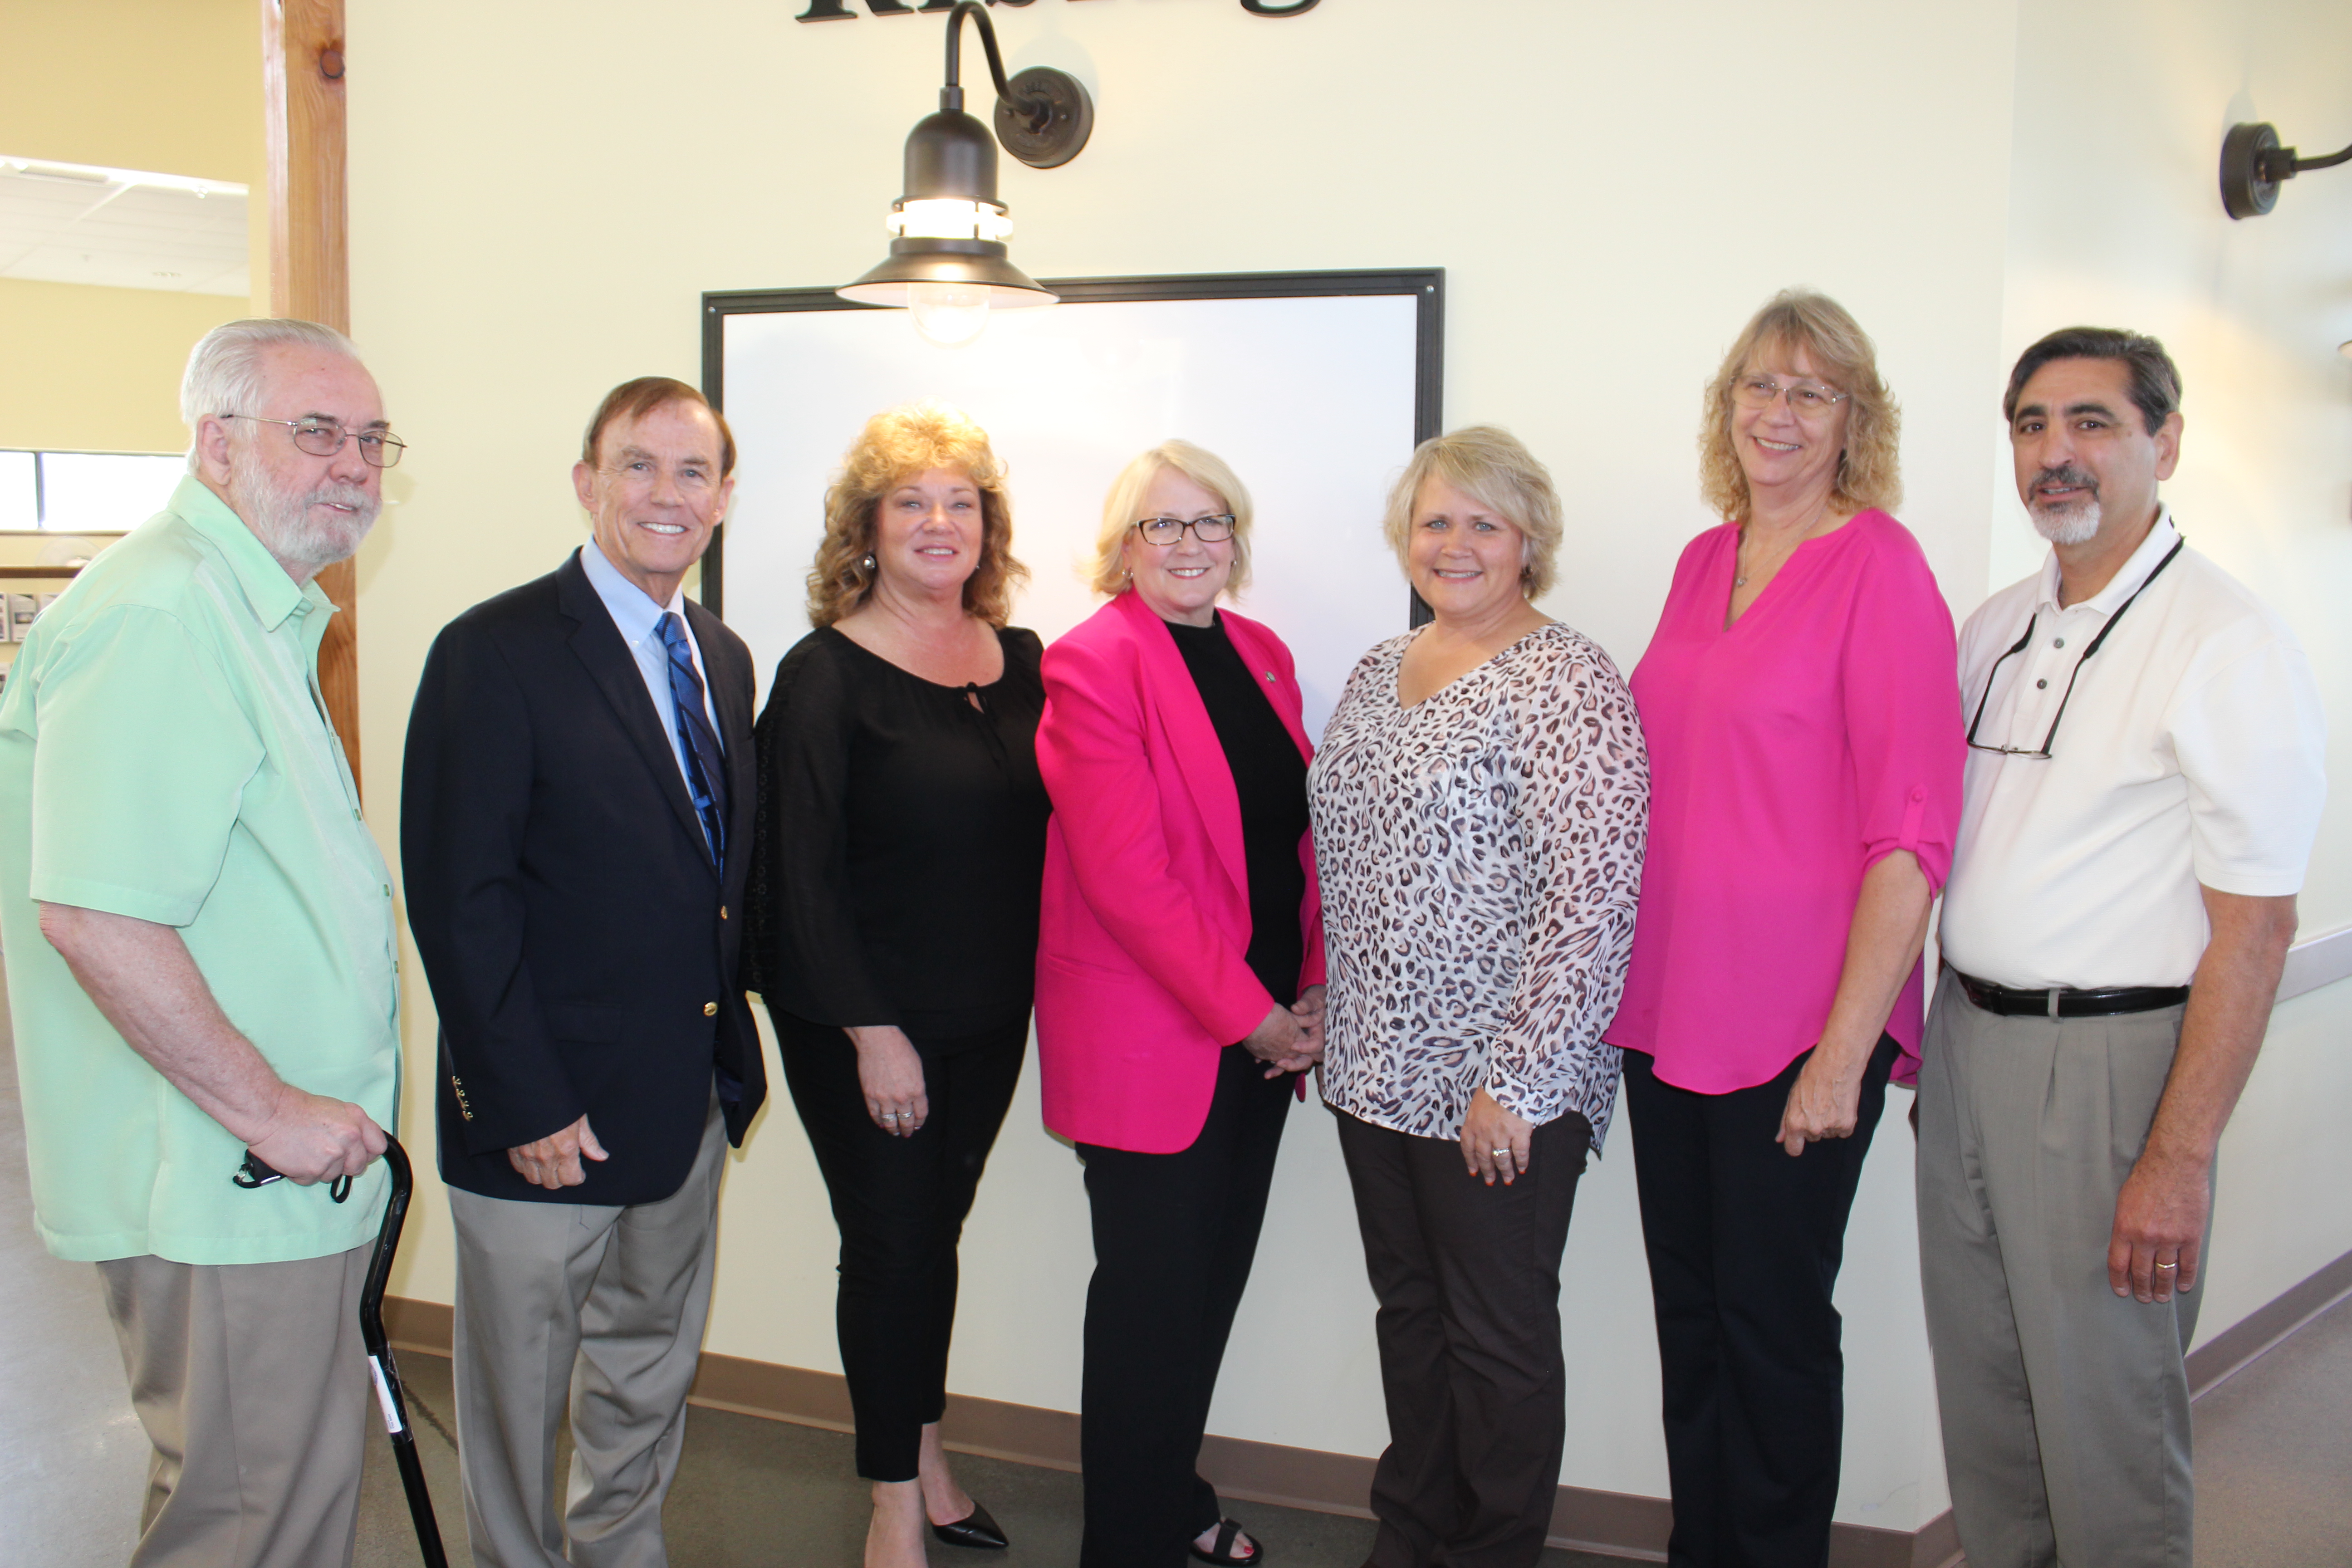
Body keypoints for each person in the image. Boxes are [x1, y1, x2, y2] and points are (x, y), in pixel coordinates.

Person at [0, 318, 401, 1568]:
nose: (354, 465)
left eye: (373, 440)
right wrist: (272, 1110)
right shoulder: (165, 611)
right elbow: (96, 914)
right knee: (248, 1515)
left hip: (265, 1175)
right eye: (318, 432)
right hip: (221, 1172)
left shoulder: (253, 608)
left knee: (282, 1491)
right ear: (216, 442)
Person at [1922, 327, 2324, 1568]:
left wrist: (2178, 1158)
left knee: (2105, 1415)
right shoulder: (1996, 624)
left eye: (2092, 422)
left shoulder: (2223, 642)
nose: (2057, 454)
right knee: (1987, 1402)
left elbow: (2257, 930)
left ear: (2167, 440)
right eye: (2033, 426)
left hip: (2109, 1067)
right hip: (1966, 1042)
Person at [1601, 290, 1964, 1568]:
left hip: (1797, 1035)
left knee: (1772, 1329)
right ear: (1727, 408)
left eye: (1812, 392)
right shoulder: (1707, 559)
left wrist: (1842, 1056)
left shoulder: (1883, 569)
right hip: (1666, 1022)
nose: (1780, 412)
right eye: (1760, 385)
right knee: (1693, 1323)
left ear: (1854, 421)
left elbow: (1912, 842)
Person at [400, 376, 768, 1568]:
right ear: (587, 482)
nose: (667, 495)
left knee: (648, 1371)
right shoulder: (494, 650)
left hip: (683, 1100)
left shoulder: (720, 654)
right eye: (639, 466)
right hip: (543, 1118)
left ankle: (620, 1550)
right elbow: (464, 904)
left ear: (722, 497)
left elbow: (709, 872)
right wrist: (526, 1103)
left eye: (693, 471)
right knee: (517, 1397)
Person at [1311, 426, 1646, 1568]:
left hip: (1494, 1086)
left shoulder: (1569, 677)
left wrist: (1519, 1081)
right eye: (1434, 521)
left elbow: (1595, 898)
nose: (1454, 545)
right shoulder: (1373, 669)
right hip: (1369, 1070)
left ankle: (1495, 1552)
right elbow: (1346, 857)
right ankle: (1413, 1536)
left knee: (1497, 1342)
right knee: (1411, 1319)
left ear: (1529, 541)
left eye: (1482, 523)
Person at [742, 403, 1048, 1568]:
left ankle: (923, 1454)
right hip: (867, 1024)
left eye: (959, 501)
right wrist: (876, 1032)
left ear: (987, 527)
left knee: (935, 1238)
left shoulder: (1019, 662)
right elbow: (797, 877)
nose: (938, 521)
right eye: (910, 501)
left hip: (988, 1018)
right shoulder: (822, 675)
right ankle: (889, 1503)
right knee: (891, 1247)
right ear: (866, 529)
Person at [1034, 440, 1325, 1568]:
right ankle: (1127, 1543)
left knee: (1207, 1295)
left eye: (1213, 524)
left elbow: (1291, 841)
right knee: (1152, 1313)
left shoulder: (1261, 652)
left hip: (1257, 1037)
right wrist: (1250, 1014)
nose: (1193, 545)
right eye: (1166, 526)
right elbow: (1128, 880)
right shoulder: (1093, 664)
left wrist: (1307, 984)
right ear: (1123, 547)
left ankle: (1172, 1504)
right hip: (1160, 1043)